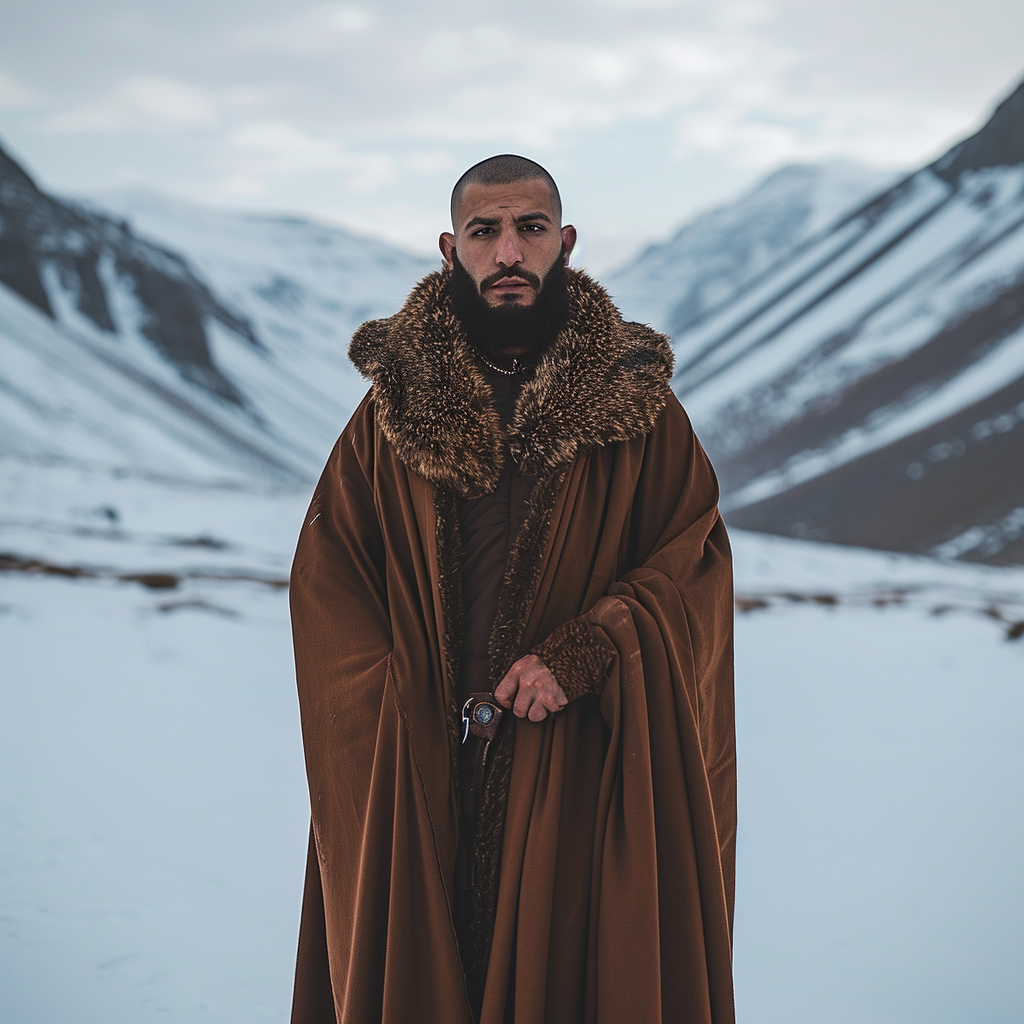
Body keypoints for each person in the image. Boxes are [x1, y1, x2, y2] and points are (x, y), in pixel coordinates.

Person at [289, 154, 736, 1024]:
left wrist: (593, 646)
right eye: (485, 232)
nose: (507, 252)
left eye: (529, 229)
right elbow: (328, 572)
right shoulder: (392, 411)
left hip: (575, 764)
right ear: (451, 248)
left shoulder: (633, 408)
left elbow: (694, 563)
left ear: (563, 243)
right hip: (421, 764)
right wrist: (397, 694)